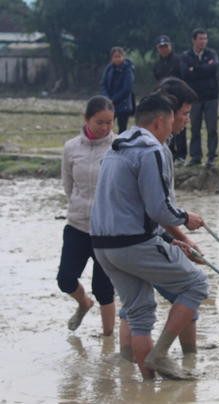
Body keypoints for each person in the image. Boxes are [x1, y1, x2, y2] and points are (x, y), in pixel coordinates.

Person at [91, 93, 208, 380]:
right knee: (196, 283)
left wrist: (169, 240)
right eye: (172, 120)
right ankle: (160, 354)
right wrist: (187, 219)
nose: (173, 127)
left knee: (140, 315)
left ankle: (145, 389)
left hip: (103, 246)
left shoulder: (119, 146)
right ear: (160, 121)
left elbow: (132, 206)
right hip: (132, 244)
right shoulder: (151, 150)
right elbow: (160, 209)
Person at [118, 77, 202, 362]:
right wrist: (183, 233)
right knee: (190, 291)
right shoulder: (156, 149)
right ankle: (188, 362)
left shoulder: (125, 142)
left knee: (132, 310)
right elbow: (158, 208)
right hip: (142, 238)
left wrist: (180, 239)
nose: (187, 120)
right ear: (168, 113)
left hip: (121, 239)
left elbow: (150, 206)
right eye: (186, 113)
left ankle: (128, 371)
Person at [57, 95, 117, 336]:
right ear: (86, 119)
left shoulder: (119, 146)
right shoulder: (71, 148)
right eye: (99, 122)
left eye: (109, 123)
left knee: (104, 289)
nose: (104, 128)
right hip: (77, 226)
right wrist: (79, 206)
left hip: (107, 230)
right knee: (65, 279)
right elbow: (68, 185)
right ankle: (84, 303)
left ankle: (108, 340)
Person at [181, 28, 219, 168]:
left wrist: (195, 69)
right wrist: (202, 68)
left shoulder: (212, 54)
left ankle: (211, 157)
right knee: (194, 127)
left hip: (211, 96)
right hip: (194, 97)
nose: (203, 41)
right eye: (200, 39)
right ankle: (195, 157)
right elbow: (185, 73)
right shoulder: (186, 56)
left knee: (212, 128)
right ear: (194, 40)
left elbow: (213, 69)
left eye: (205, 39)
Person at [153, 34, 187, 164]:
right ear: (158, 48)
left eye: (166, 46)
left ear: (170, 46)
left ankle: (181, 154)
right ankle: (170, 152)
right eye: (161, 47)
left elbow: (183, 79)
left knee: (181, 125)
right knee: (166, 125)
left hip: (178, 98)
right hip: (164, 100)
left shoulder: (179, 61)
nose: (164, 49)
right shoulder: (157, 65)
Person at [99, 47, 135, 134]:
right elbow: (103, 84)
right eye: (115, 56)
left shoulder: (128, 69)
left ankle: (121, 146)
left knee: (122, 129)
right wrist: (106, 98)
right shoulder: (109, 69)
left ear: (123, 57)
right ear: (111, 58)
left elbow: (127, 88)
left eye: (119, 56)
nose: (117, 59)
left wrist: (113, 100)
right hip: (109, 104)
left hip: (123, 104)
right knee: (106, 126)